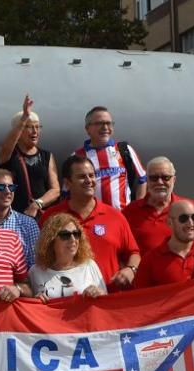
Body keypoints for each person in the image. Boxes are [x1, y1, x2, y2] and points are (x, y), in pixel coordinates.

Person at [41, 156, 140, 288]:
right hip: (66, 302)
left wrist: (131, 270)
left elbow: (133, 253)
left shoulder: (115, 216)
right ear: (67, 183)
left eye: (92, 175)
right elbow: (40, 257)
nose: (89, 181)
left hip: (108, 299)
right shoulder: (51, 217)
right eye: (82, 176)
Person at [122, 157, 194, 255]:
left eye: (165, 177)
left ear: (174, 180)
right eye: (154, 178)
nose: (159, 182)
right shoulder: (130, 212)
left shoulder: (189, 208)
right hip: (145, 269)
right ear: (147, 181)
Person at [72, 106, 146, 211]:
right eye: (99, 123)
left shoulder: (124, 150)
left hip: (123, 216)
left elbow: (142, 179)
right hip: (93, 218)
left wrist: (138, 208)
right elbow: (68, 191)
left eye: (109, 123)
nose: (105, 127)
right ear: (87, 129)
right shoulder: (77, 156)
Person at [0, 95, 60, 217]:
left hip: (41, 217)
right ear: (19, 131)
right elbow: (5, 147)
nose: (35, 131)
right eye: (30, 127)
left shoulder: (46, 155)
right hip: (14, 217)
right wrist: (24, 117)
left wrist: (37, 204)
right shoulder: (9, 154)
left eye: (38, 127)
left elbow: (55, 190)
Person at [134, 200, 194, 288]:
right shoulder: (150, 260)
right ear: (170, 223)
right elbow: (141, 298)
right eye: (183, 218)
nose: (190, 223)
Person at [30, 213, 106, 301]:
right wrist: (36, 300)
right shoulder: (35, 271)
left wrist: (98, 293)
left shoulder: (89, 265)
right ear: (51, 240)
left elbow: (105, 304)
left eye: (76, 234)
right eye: (65, 235)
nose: (73, 239)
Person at [0, 168, 40, 271]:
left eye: (11, 187)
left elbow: (36, 266)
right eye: (1, 187)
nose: (8, 191)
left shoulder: (28, 224)